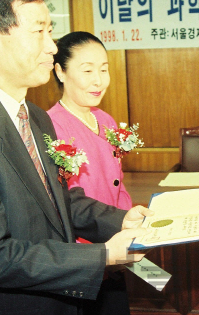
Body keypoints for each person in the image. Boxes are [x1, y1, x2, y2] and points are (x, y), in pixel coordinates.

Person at [0, 0, 153, 315]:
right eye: (39, 32)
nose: (52, 46)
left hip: (60, 297)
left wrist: (121, 220)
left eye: (50, 31)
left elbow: (58, 202)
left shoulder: (36, 117)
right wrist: (102, 256)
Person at [47, 31, 133, 314]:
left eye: (104, 69)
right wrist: (122, 225)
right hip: (87, 256)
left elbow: (117, 186)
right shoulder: (51, 128)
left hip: (120, 242)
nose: (99, 80)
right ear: (60, 71)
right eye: (87, 70)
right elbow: (66, 204)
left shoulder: (105, 119)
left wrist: (132, 225)